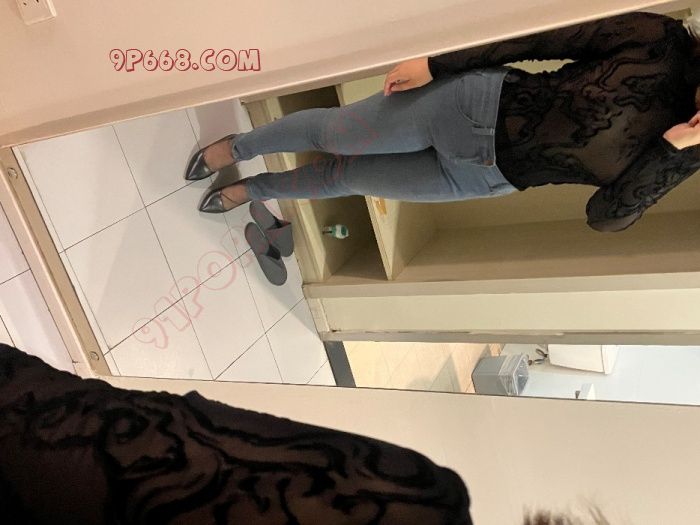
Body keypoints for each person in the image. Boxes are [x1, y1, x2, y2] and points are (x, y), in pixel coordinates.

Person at [186, 11, 700, 233]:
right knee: (333, 135)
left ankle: (255, 191)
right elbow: (540, 37)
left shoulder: (687, 154)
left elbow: (605, 216)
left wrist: (671, 151)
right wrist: (438, 63)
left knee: (345, 177)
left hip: (482, 178)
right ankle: (239, 147)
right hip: (468, 107)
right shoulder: (660, 41)